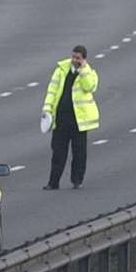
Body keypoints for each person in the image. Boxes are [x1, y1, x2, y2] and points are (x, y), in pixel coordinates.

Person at [41, 45, 100, 190]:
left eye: (78, 58)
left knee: (79, 153)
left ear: (84, 59)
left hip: (79, 121)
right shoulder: (61, 70)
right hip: (61, 119)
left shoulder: (89, 73)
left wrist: (83, 70)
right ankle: (53, 182)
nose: (74, 60)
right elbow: (52, 90)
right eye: (73, 56)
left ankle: (77, 181)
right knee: (58, 152)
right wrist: (47, 109)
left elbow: (90, 86)